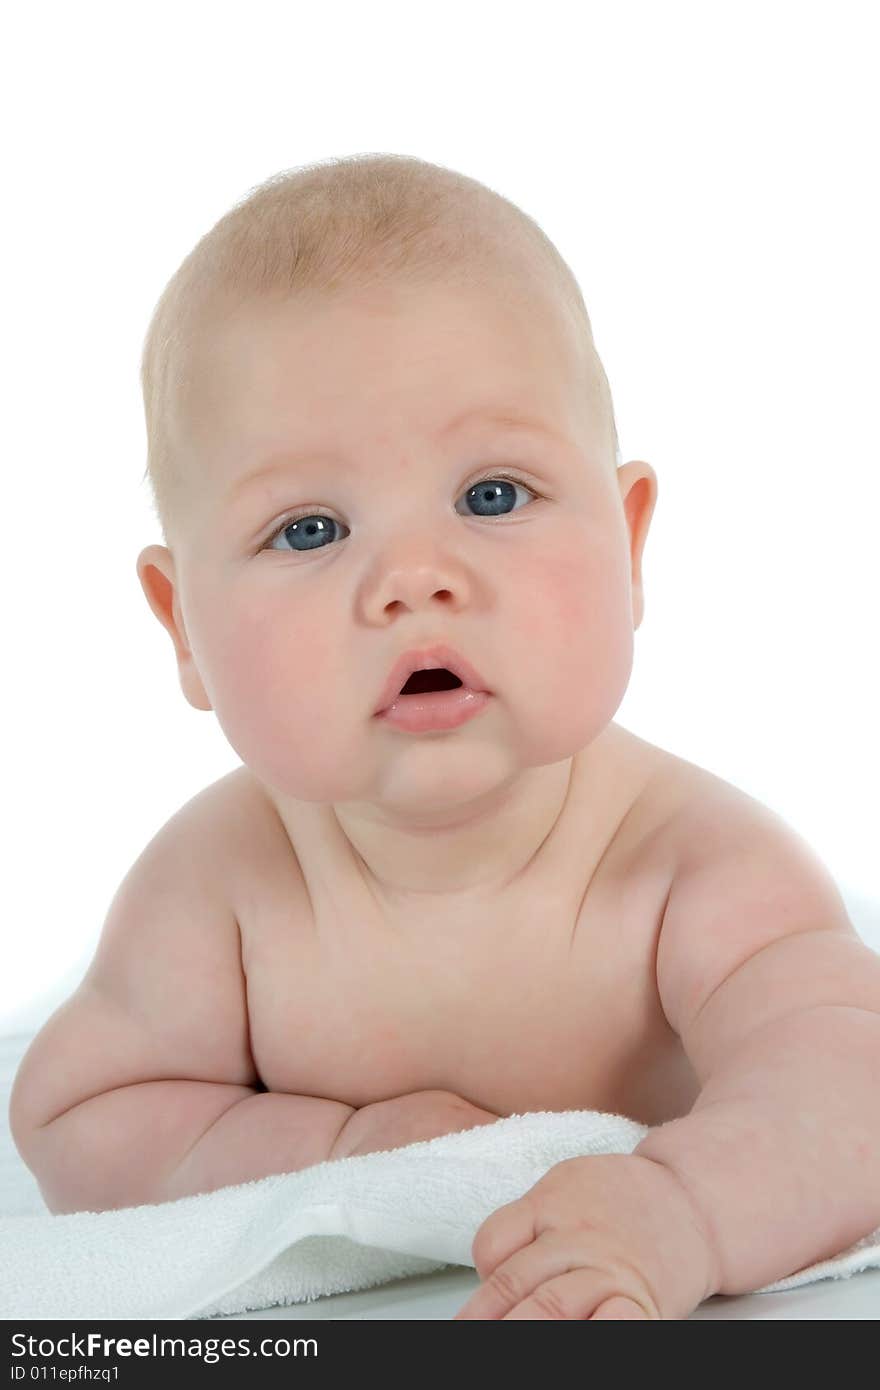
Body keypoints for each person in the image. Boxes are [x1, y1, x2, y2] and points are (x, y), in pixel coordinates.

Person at [10, 153, 880, 1320]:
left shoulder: (695, 869)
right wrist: (349, 1146)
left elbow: (848, 1081)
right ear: (184, 629)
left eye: (491, 495)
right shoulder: (216, 893)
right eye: (308, 526)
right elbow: (78, 1117)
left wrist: (684, 1210)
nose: (414, 580)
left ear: (627, 550)